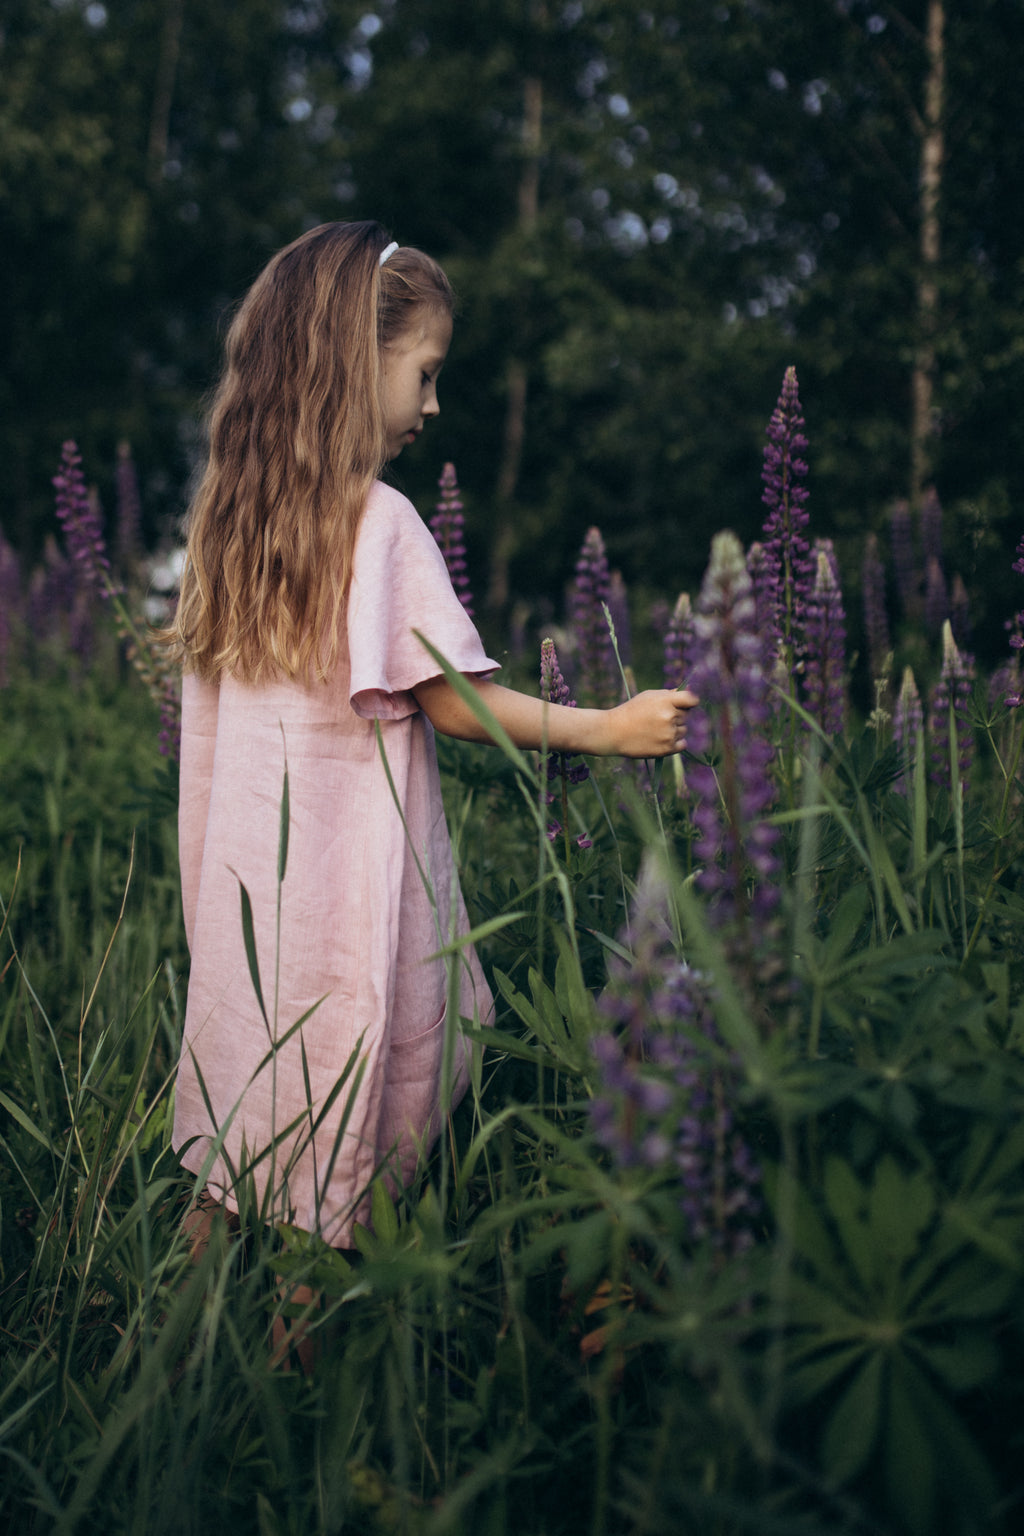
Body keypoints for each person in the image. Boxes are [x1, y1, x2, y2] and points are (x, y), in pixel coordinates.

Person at [168, 220, 697, 1263]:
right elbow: (454, 700)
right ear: (351, 366)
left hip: (245, 920)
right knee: (336, 1168)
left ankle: (170, 1372)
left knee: (234, 1166)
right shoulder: (380, 522)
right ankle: (305, 1390)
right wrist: (609, 727)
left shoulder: (234, 523)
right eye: (426, 372)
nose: (435, 405)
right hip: (342, 912)